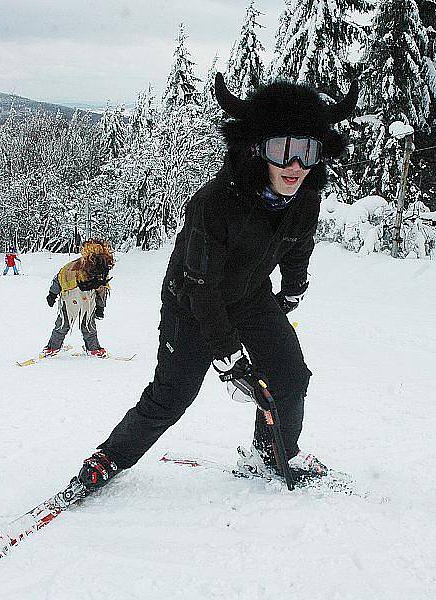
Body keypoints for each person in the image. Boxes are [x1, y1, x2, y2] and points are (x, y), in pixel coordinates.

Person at [74, 73, 358, 493]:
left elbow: (298, 244)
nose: (295, 165)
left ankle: (275, 454)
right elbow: (199, 287)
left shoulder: (306, 199)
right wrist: (226, 352)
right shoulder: (216, 203)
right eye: (282, 149)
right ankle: (109, 457)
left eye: (307, 150)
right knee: (173, 396)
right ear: (256, 149)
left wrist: (294, 287)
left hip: (250, 298)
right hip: (190, 306)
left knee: (290, 377)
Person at [42, 239, 114, 358]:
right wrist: (52, 294)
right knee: (63, 323)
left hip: (88, 300)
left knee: (88, 324)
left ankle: (93, 348)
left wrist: (100, 307)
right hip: (70, 297)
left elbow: (102, 289)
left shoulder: (102, 268)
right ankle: (53, 347)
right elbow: (60, 277)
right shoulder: (74, 267)